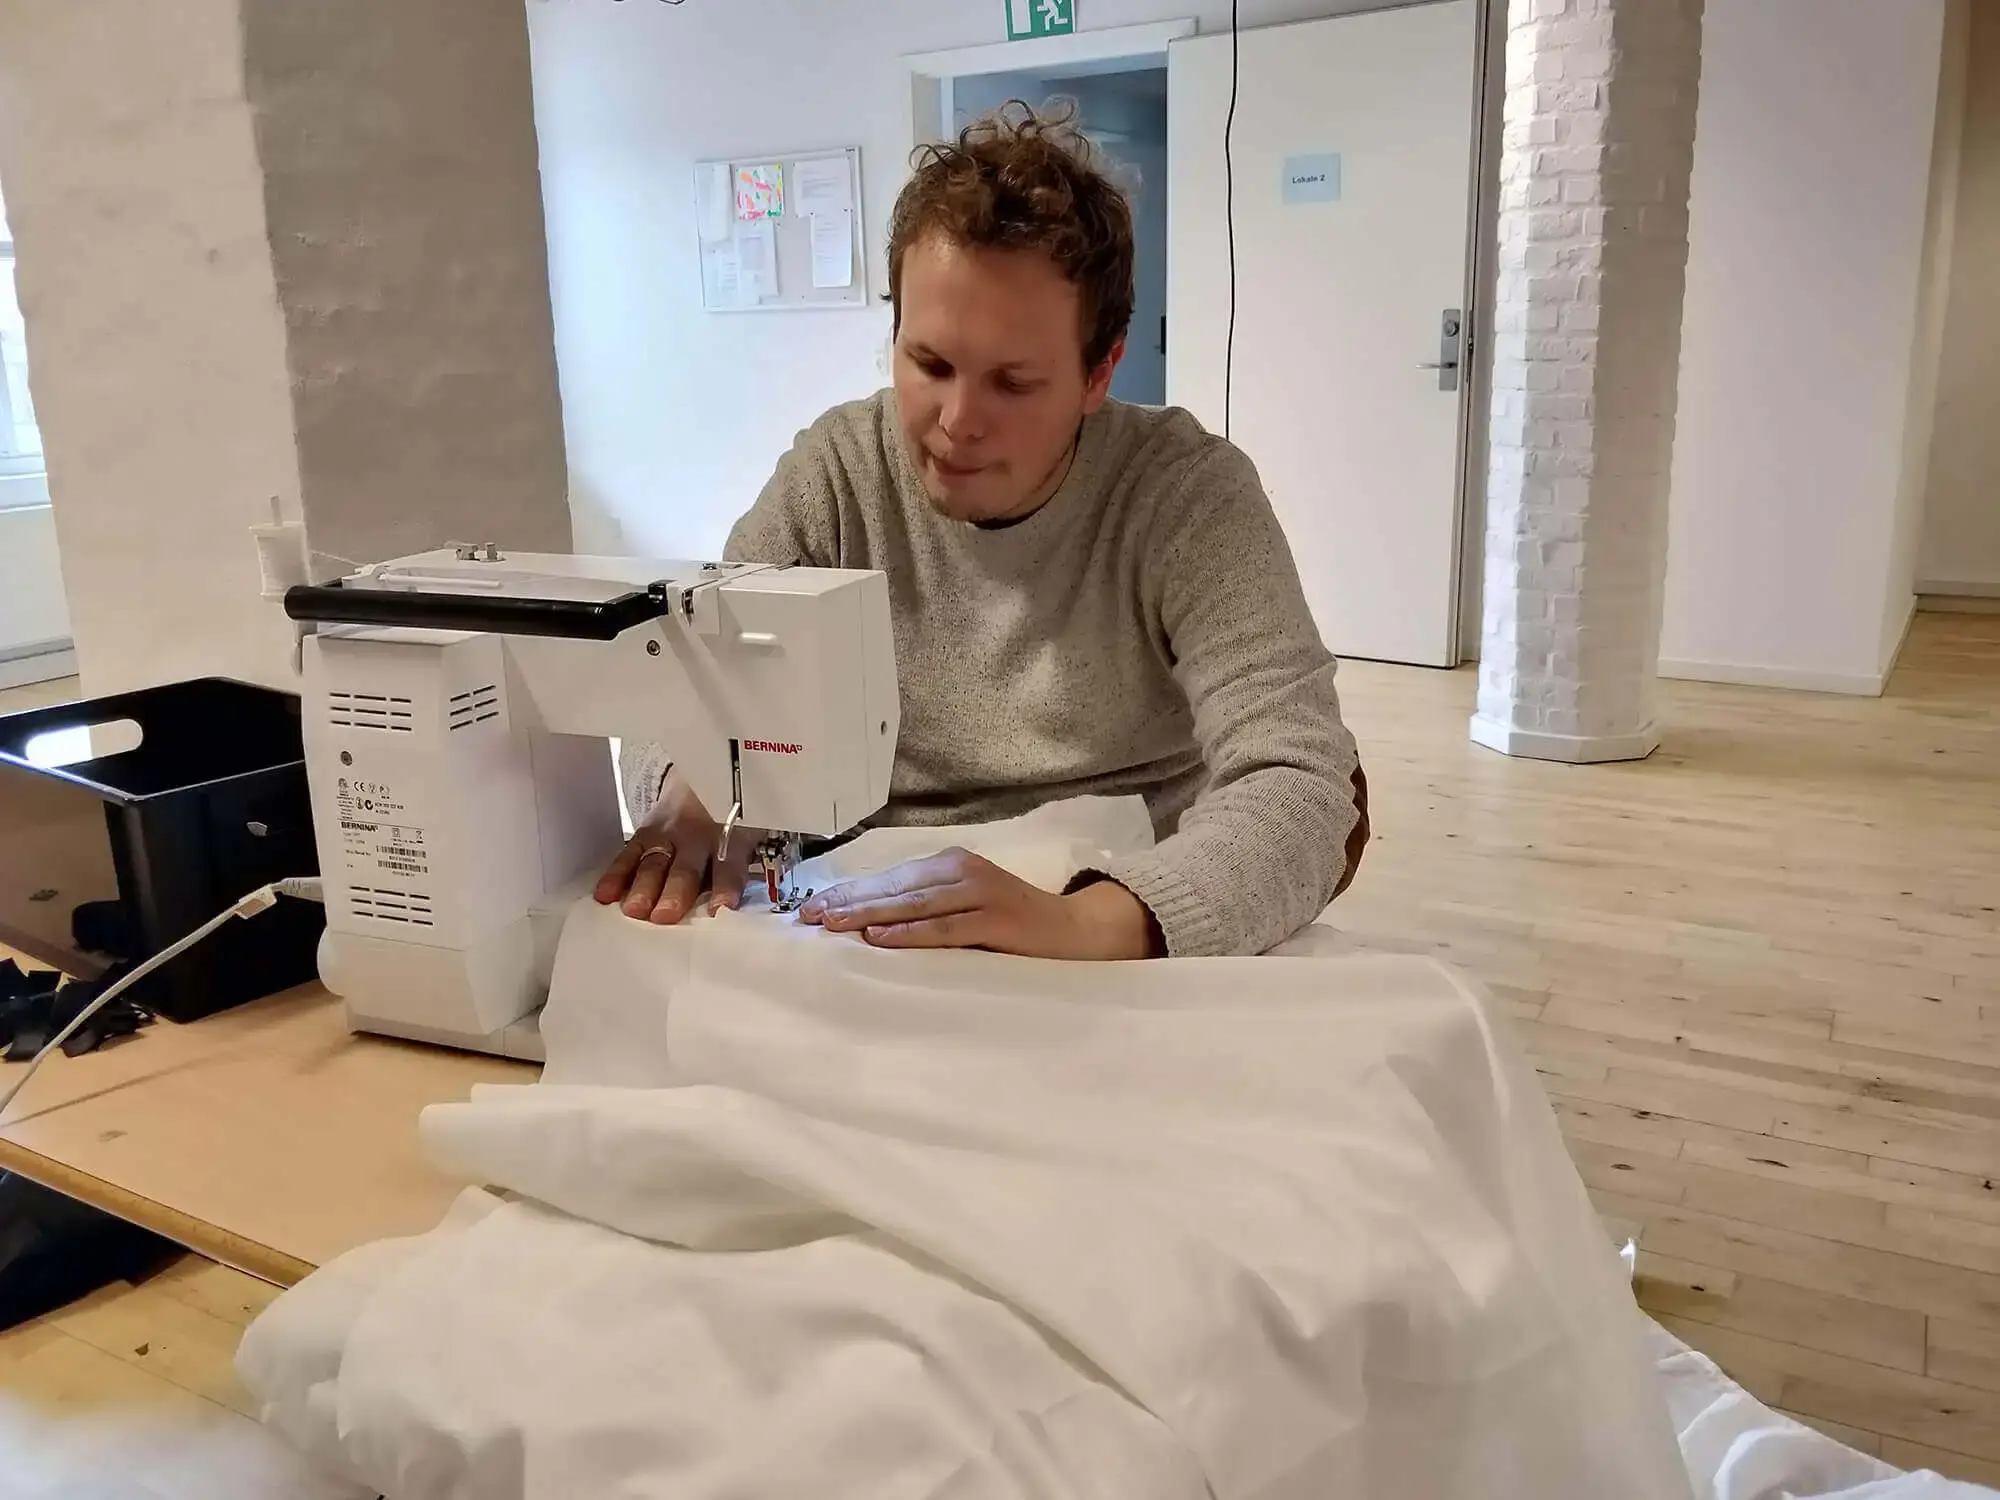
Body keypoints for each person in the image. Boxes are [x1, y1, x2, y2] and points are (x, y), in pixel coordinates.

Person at [597, 104, 1368, 959]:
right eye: (929, 365)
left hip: (1115, 909)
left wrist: (1088, 921)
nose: (957, 422)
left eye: (1014, 382)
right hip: (866, 912)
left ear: (1098, 372)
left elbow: (1299, 781)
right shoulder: (839, 474)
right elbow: (673, 676)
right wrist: (692, 786)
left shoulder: (1187, 495)